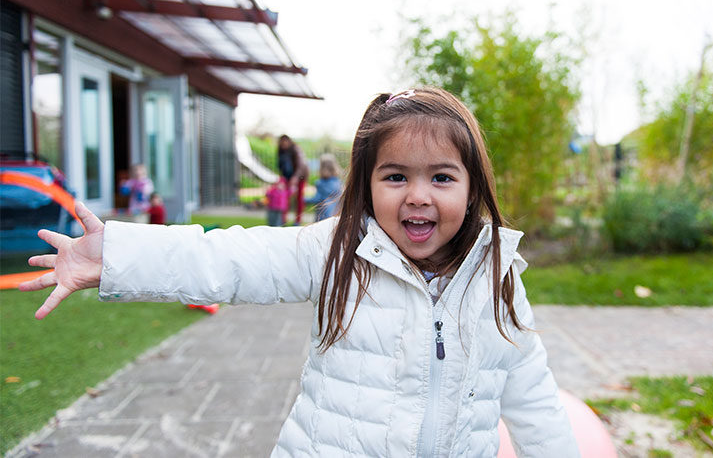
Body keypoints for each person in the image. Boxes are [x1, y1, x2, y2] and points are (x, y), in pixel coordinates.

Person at [20, 87, 579, 457]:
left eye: (440, 178)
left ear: (472, 186)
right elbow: (227, 260)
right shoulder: (335, 251)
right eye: (395, 177)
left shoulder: (496, 277)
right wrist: (116, 254)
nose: (417, 196)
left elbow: (531, 394)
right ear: (364, 186)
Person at [277, 135, 309, 225]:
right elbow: (281, 166)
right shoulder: (281, 151)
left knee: (299, 198)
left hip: (300, 177)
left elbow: (301, 165)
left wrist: (295, 177)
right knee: (284, 197)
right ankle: (283, 219)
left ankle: (298, 220)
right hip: (287, 177)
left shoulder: (296, 150)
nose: (283, 144)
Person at [304, 153, 342, 221]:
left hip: (322, 217)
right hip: (335, 216)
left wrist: (303, 199)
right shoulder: (339, 183)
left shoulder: (321, 183)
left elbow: (316, 199)